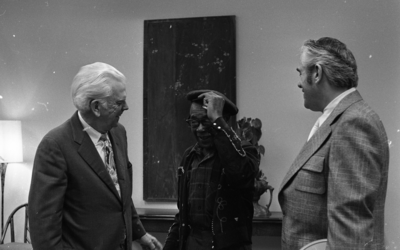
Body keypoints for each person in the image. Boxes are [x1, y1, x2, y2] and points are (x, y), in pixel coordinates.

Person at [28, 62, 163, 250]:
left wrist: (140, 233)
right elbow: (43, 224)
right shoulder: (55, 145)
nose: (126, 107)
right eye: (119, 103)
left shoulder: (118, 133)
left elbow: (120, 193)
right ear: (96, 107)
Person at [278, 37, 389, 249]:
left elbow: (350, 234)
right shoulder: (338, 120)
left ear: (317, 73)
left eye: (300, 72)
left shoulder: (354, 123)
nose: (298, 82)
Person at [163, 90, 259, 250]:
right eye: (194, 122)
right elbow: (182, 215)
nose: (200, 129)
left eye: (207, 121)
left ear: (223, 121)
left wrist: (218, 122)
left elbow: (241, 174)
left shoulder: (244, 150)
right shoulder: (190, 156)